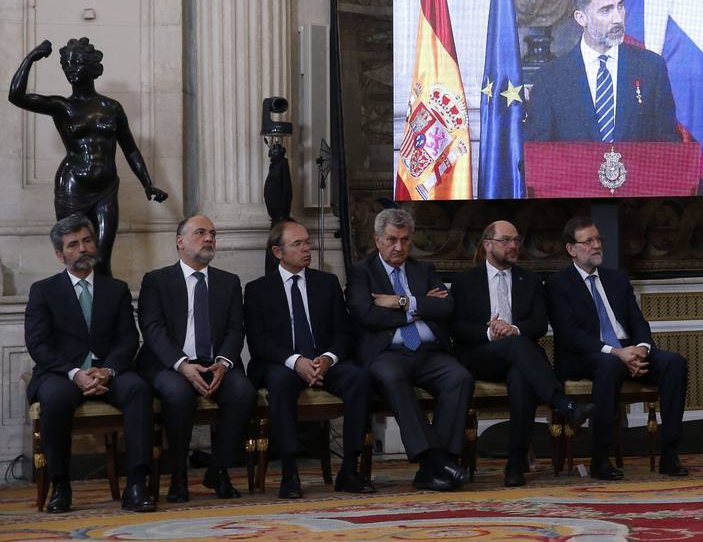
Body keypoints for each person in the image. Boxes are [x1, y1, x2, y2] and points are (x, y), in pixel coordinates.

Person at [23, 215, 156, 513]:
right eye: (73, 244)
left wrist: (107, 370)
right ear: (60, 254)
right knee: (55, 400)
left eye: (87, 241)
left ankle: (136, 484)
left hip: (108, 371)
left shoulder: (116, 289)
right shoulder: (43, 291)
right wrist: (75, 373)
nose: (83, 248)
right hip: (62, 373)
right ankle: (60, 485)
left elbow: (128, 340)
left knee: (138, 390)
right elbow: (38, 344)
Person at [9, 38, 168, 275]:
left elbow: (130, 148)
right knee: (75, 255)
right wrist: (31, 58)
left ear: (92, 68)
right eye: (66, 65)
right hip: (73, 187)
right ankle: (75, 308)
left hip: (106, 189)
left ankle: (105, 310)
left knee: (102, 258)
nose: (71, 69)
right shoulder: (61, 106)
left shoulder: (112, 107)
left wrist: (148, 183)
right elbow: (16, 96)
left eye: (77, 64)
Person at [449, 220, 590, 486]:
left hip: (519, 357)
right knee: (519, 348)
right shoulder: (465, 281)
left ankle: (515, 464)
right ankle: (563, 403)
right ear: (488, 245)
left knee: (520, 377)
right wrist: (492, 332)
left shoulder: (531, 279)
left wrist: (512, 329)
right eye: (506, 240)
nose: (513, 246)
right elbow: (457, 328)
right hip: (481, 356)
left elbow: (539, 324)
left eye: (516, 240)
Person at [547, 216, 689, 480]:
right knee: (609, 366)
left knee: (674, 363)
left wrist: (642, 349)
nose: (596, 245)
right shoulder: (558, 284)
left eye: (598, 239)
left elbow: (637, 320)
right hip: (587, 356)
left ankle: (669, 453)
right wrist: (616, 353)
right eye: (588, 241)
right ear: (571, 249)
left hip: (629, 350)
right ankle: (601, 459)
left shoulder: (617, 279)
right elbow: (570, 336)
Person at [243, 221, 376, 498]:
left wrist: (327, 359)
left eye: (307, 242)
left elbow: (343, 331)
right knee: (280, 383)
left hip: (323, 362)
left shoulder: (326, 283)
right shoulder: (258, 289)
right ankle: (290, 472)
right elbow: (259, 342)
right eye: (298, 244)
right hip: (281, 363)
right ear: (278, 252)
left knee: (359, 377)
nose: (307, 248)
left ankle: (349, 469)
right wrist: (296, 362)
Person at [346, 207, 472, 492]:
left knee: (459, 377)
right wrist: (419, 306)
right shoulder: (361, 273)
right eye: (391, 239)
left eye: (404, 240)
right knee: (392, 377)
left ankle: (438, 466)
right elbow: (365, 315)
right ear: (377, 239)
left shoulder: (423, 269)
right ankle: (436, 462)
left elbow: (445, 307)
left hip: (428, 352)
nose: (398, 247)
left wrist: (400, 301)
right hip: (386, 353)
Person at [136, 215, 255, 501]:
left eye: (213, 233)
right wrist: (182, 365)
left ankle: (219, 469)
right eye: (201, 233)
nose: (209, 238)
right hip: (170, 364)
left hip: (216, 363)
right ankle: (178, 475)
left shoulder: (228, 282)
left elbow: (235, 329)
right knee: (178, 395)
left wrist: (224, 363)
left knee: (243, 392)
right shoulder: (156, 281)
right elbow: (153, 330)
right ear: (180, 241)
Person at [524, 0, 679, 143]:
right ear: (581, 18)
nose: (618, 18)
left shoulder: (652, 68)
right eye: (606, 10)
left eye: (620, 6)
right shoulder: (550, 78)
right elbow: (535, 159)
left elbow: (669, 149)